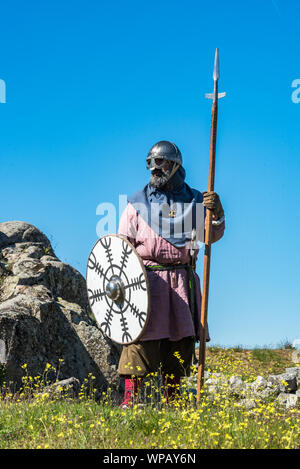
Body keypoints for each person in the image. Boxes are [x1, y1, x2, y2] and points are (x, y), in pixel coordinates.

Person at [117, 141, 225, 407]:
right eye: (150, 163)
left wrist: (217, 213)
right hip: (146, 283)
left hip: (181, 281)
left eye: (160, 162)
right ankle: (129, 403)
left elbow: (210, 237)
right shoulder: (136, 205)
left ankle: (173, 404)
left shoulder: (196, 202)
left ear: (175, 165)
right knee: (139, 342)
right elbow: (121, 246)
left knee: (179, 344)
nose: (154, 169)